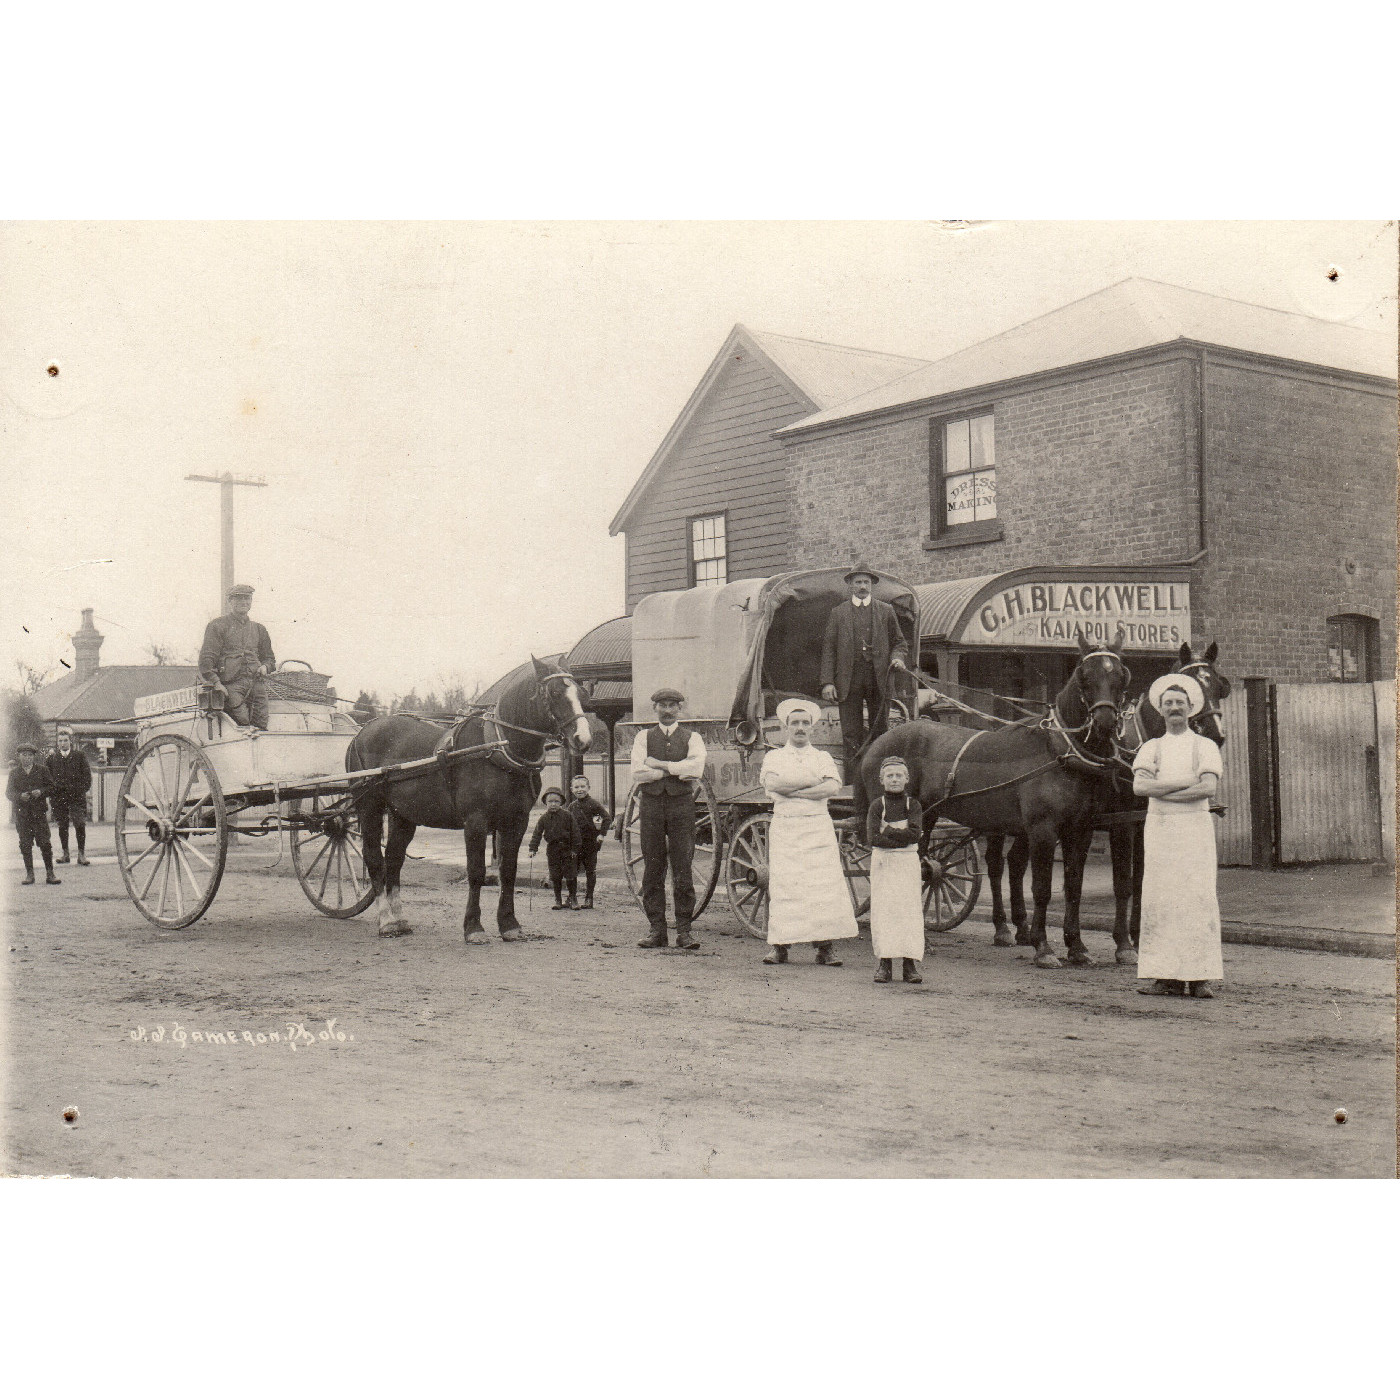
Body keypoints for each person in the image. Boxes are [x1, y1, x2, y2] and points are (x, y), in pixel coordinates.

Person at [1132, 673, 1224, 999]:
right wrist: (1185, 784)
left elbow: (1208, 788)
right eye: (1168, 703)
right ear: (1160, 710)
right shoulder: (1151, 747)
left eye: (1180, 703)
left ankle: (1200, 978)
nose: (1174, 708)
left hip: (1194, 831)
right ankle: (1165, 977)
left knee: (1196, 898)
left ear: (1190, 708)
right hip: (1160, 831)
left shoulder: (1204, 746)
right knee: (1161, 898)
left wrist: (1162, 790)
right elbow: (1140, 786)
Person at [760, 698, 858, 966]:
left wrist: (794, 790)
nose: (800, 727)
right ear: (786, 727)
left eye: (805, 723)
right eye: (795, 723)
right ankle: (780, 946)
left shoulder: (822, 757)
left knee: (822, 886)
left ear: (812, 728)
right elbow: (773, 784)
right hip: (787, 826)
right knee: (786, 886)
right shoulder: (774, 757)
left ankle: (825, 948)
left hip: (817, 827)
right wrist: (812, 783)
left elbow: (831, 787)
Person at [630, 687, 707, 950]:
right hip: (651, 805)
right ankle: (657, 930)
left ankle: (684, 931)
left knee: (682, 867)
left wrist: (660, 765)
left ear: (679, 709)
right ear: (655, 709)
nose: (667, 710)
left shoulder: (693, 737)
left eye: (672, 705)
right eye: (662, 705)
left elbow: (695, 769)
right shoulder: (643, 737)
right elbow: (638, 773)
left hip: (681, 806)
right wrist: (674, 770)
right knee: (652, 868)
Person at [820, 564, 910, 779]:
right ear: (850, 585)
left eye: (866, 582)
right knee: (851, 732)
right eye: (858, 582)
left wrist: (897, 658)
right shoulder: (838, 613)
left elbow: (899, 643)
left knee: (880, 730)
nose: (862, 586)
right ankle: (854, 782)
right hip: (848, 680)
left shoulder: (886, 611)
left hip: (879, 679)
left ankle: (879, 779)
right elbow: (829, 649)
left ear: (872, 585)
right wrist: (827, 682)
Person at [867, 754, 925, 984]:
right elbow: (873, 838)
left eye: (898, 775)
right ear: (882, 780)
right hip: (884, 863)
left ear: (906, 779)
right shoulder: (877, 806)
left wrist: (888, 831)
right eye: (889, 775)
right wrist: (902, 839)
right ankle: (885, 964)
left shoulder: (913, 805)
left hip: (907, 864)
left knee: (908, 912)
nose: (894, 779)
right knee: (885, 911)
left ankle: (909, 966)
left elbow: (915, 835)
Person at [198, 583, 276, 730]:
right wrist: (217, 684)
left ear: (251, 601)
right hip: (230, 685)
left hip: (256, 684)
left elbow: (270, 659)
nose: (243, 602)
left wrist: (265, 667)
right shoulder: (217, 626)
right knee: (241, 723)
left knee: (262, 724)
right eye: (239, 598)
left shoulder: (259, 629)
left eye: (247, 598)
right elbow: (206, 661)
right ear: (230, 601)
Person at [7, 742, 60, 886]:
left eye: (30, 755)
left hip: (39, 814)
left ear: (34, 756)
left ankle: (50, 873)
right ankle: (29, 874)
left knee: (45, 843)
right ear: (19, 756)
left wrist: (41, 792)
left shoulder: (42, 770)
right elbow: (9, 793)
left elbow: (52, 787)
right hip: (23, 815)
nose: (27, 758)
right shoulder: (14, 773)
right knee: (25, 844)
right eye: (24, 755)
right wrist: (19, 796)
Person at [528, 788, 582, 909]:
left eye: (556, 801)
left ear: (561, 802)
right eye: (550, 801)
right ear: (545, 803)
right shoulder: (543, 818)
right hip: (553, 850)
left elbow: (576, 833)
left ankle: (573, 899)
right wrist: (532, 849)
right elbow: (537, 834)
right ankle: (558, 900)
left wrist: (575, 849)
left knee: (570, 875)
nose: (553, 804)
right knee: (555, 875)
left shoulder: (568, 816)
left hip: (568, 850)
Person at [48, 727, 92, 865]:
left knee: (80, 824)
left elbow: (87, 778)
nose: (63, 743)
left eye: (65, 740)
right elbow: (47, 779)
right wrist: (54, 793)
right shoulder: (52, 759)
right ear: (57, 743)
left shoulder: (79, 756)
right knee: (62, 826)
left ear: (70, 741)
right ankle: (65, 854)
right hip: (59, 798)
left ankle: (81, 854)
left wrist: (80, 791)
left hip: (76, 798)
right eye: (60, 741)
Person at [566, 774, 611, 909]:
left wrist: (601, 834)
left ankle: (589, 899)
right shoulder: (571, 806)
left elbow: (607, 818)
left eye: (583, 786)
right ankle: (572, 898)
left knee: (590, 870)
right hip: (575, 844)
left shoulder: (594, 804)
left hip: (590, 843)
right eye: (576, 787)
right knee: (572, 870)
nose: (580, 790)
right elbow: (566, 823)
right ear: (572, 789)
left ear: (588, 788)